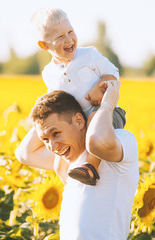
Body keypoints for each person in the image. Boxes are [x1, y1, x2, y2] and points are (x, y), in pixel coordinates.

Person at [14, 80, 139, 239]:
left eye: (56, 133)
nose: (52, 147)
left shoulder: (122, 140)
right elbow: (24, 153)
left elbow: (97, 141)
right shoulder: (68, 160)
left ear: (79, 120)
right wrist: (57, 98)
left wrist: (107, 105)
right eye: (45, 139)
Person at [30, 7, 126, 185]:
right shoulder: (49, 73)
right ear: (44, 45)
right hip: (79, 122)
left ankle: (90, 167)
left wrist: (100, 86)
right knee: (60, 164)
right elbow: (56, 100)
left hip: (107, 114)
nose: (68, 39)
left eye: (70, 32)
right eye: (59, 37)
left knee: (94, 136)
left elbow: (112, 72)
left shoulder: (88, 55)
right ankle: (72, 189)